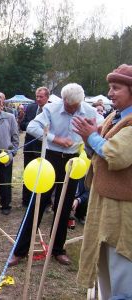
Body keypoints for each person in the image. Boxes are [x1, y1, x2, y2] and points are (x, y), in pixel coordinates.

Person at [8, 83, 100, 267]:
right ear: (63, 99)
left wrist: (89, 139)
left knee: (64, 207)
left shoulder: (90, 111)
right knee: (37, 203)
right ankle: (19, 251)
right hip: (51, 158)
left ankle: (58, 249)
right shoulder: (51, 108)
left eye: (75, 107)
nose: (71, 109)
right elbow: (33, 127)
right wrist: (54, 138)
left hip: (73, 161)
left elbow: (99, 130)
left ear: (80, 101)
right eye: (68, 105)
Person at [73, 64, 132, 299]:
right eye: (110, 87)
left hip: (123, 211)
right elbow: (99, 152)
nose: (110, 93)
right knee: (104, 269)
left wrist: (92, 137)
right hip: (104, 203)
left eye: (116, 88)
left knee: (123, 272)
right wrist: (89, 140)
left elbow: (116, 156)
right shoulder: (114, 117)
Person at [20, 87, 49, 207]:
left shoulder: (51, 109)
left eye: (41, 97)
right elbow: (22, 125)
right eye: (37, 96)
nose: (38, 99)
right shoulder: (31, 107)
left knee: (44, 175)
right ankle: (26, 201)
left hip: (45, 148)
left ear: (47, 97)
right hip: (30, 147)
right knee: (28, 173)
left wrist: (40, 130)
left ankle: (44, 202)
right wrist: (33, 127)